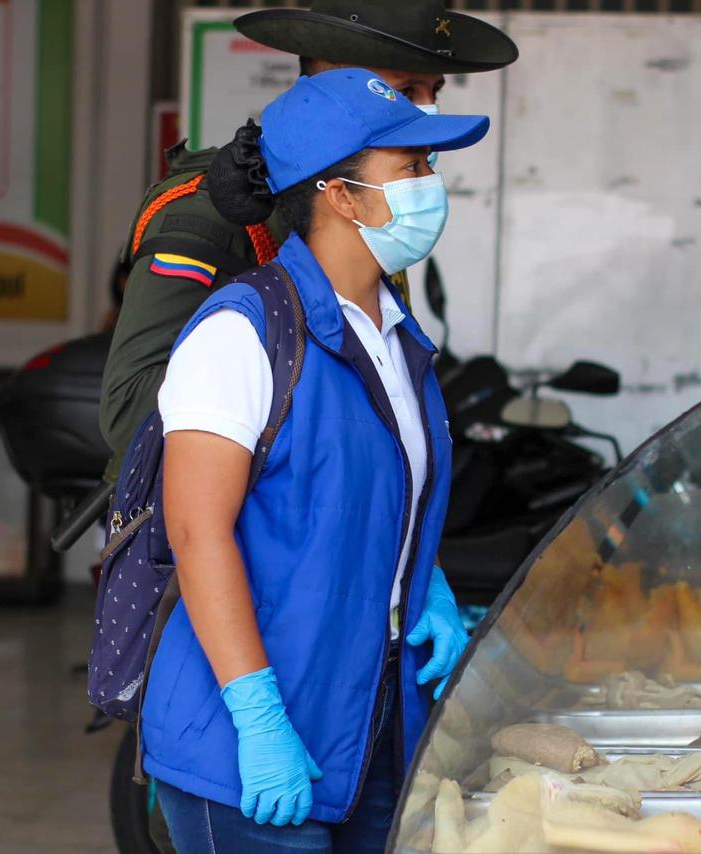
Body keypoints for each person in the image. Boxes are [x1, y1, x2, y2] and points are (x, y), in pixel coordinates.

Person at [144, 68, 488, 852]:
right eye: (411, 168)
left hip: (364, 721)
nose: (432, 186)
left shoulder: (395, 334)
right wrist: (259, 718)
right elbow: (198, 532)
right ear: (340, 196)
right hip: (250, 742)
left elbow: (370, 492)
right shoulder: (244, 332)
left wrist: (418, 581)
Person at [99, 0, 518, 478]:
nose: (426, 109)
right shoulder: (209, 213)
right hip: (209, 526)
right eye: (404, 90)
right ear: (328, 87)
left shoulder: (380, 206)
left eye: (433, 91)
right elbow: (129, 406)